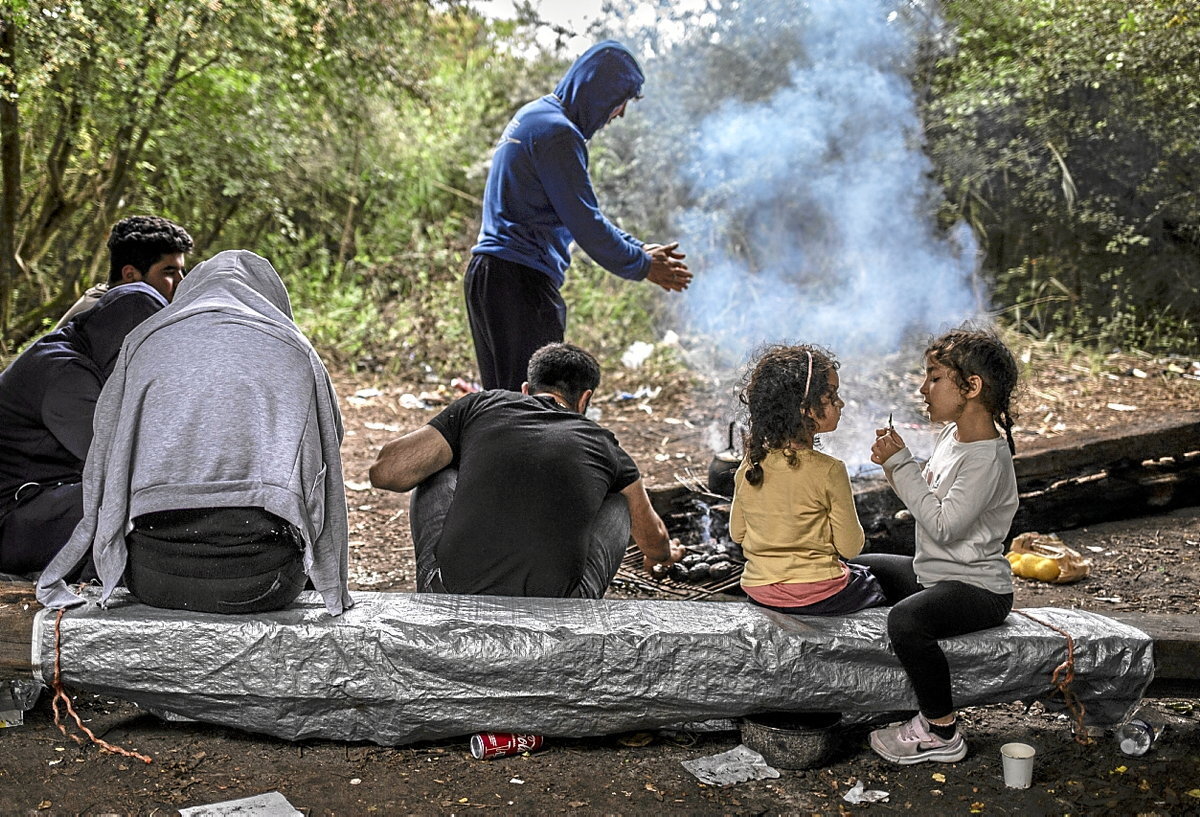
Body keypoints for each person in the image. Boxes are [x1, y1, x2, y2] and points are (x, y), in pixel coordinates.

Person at [36, 250, 353, 617]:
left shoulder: (143, 345)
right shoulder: (296, 351)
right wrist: (334, 586)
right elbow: (331, 457)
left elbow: (102, 465)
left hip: (152, 578)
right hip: (262, 583)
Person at [369, 342, 684, 598]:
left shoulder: (481, 406)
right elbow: (654, 540)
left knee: (437, 471)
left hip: (450, 592)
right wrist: (660, 558)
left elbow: (385, 473)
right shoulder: (604, 443)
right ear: (585, 400)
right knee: (619, 504)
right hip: (561, 608)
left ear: (525, 389)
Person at [466, 39, 693, 391]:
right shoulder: (558, 134)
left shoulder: (535, 115)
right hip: (519, 283)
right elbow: (586, 224)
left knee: (507, 405)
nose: (619, 114)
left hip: (492, 276)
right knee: (535, 410)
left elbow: (579, 213)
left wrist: (640, 248)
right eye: (620, 102)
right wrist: (644, 264)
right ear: (599, 92)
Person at [855, 328, 1020, 765]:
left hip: (978, 589)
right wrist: (897, 467)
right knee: (857, 568)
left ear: (971, 387)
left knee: (907, 622)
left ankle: (941, 729)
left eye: (934, 378)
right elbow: (929, 498)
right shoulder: (953, 437)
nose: (922, 389)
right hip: (935, 573)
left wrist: (899, 463)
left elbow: (944, 525)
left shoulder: (985, 458)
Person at [0, 283, 168, 576]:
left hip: (39, 503)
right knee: (125, 500)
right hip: (11, 521)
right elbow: (119, 464)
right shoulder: (64, 377)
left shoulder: (71, 352)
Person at [731, 344, 886, 615]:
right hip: (821, 594)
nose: (841, 403)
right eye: (831, 396)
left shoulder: (751, 463)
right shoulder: (829, 470)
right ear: (806, 409)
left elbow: (737, 533)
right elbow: (850, 547)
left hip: (760, 592)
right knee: (876, 584)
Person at [54, 215, 193, 328]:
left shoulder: (101, 300)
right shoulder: (114, 317)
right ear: (130, 275)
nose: (181, 281)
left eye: (181, 271)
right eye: (169, 272)